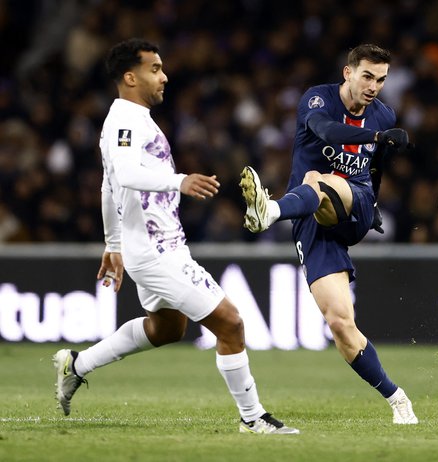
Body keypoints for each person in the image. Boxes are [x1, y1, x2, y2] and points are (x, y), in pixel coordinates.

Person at [52, 38, 298, 435]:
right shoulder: (125, 122)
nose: (164, 76)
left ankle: (75, 365)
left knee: (168, 329)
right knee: (231, 324)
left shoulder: (131, 120)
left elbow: (108, 185)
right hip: (156, 251)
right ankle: (253, 418)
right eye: (155, 69)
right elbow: (127, 175)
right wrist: (180, 180)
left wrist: (113, 244)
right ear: (130, 77)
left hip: (153, 245)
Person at [239, 44, 418, 424]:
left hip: (356, 200)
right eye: (367, 76)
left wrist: (374, 210)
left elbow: (376, 168)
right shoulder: (317, 99)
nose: (374, 86)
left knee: (316, 178)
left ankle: (270, 210)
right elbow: (327, 132)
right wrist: (377, 137)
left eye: (381, 79)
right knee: (340, 323)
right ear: (348, 73)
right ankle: (397, 398)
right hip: (313, 217)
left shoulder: (383, 112)